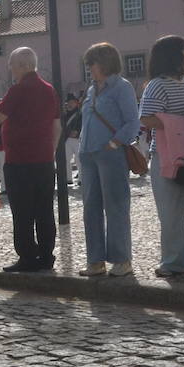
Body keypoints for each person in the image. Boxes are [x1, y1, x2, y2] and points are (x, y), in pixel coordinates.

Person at [140, 36, 184, 279]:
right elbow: (146, 118)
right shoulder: (161, 85)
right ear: (177, 55)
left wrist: (179, 126)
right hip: (176, 154)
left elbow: (149, 118)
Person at [0, 47, 61, 273]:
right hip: (44, 160)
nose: (10, 68)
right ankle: (46, 256)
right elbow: (56, 126)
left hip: (20, 161)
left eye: (13, 64)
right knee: (45, 211)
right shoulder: (49, 90)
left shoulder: (18, 90)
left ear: (24, 66)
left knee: (23, 213)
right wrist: (51, 151)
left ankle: (27, 256)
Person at [76, 43, 139, 278]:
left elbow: (133, 122)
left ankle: (122, 260)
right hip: (88, 154)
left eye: (92, 63)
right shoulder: (91, 89)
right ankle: (95, 261)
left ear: (104, 62)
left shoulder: (122, 88)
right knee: (90, 209)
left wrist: (114, 143)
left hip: (110, 154)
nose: (89, 68)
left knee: (116, 207)